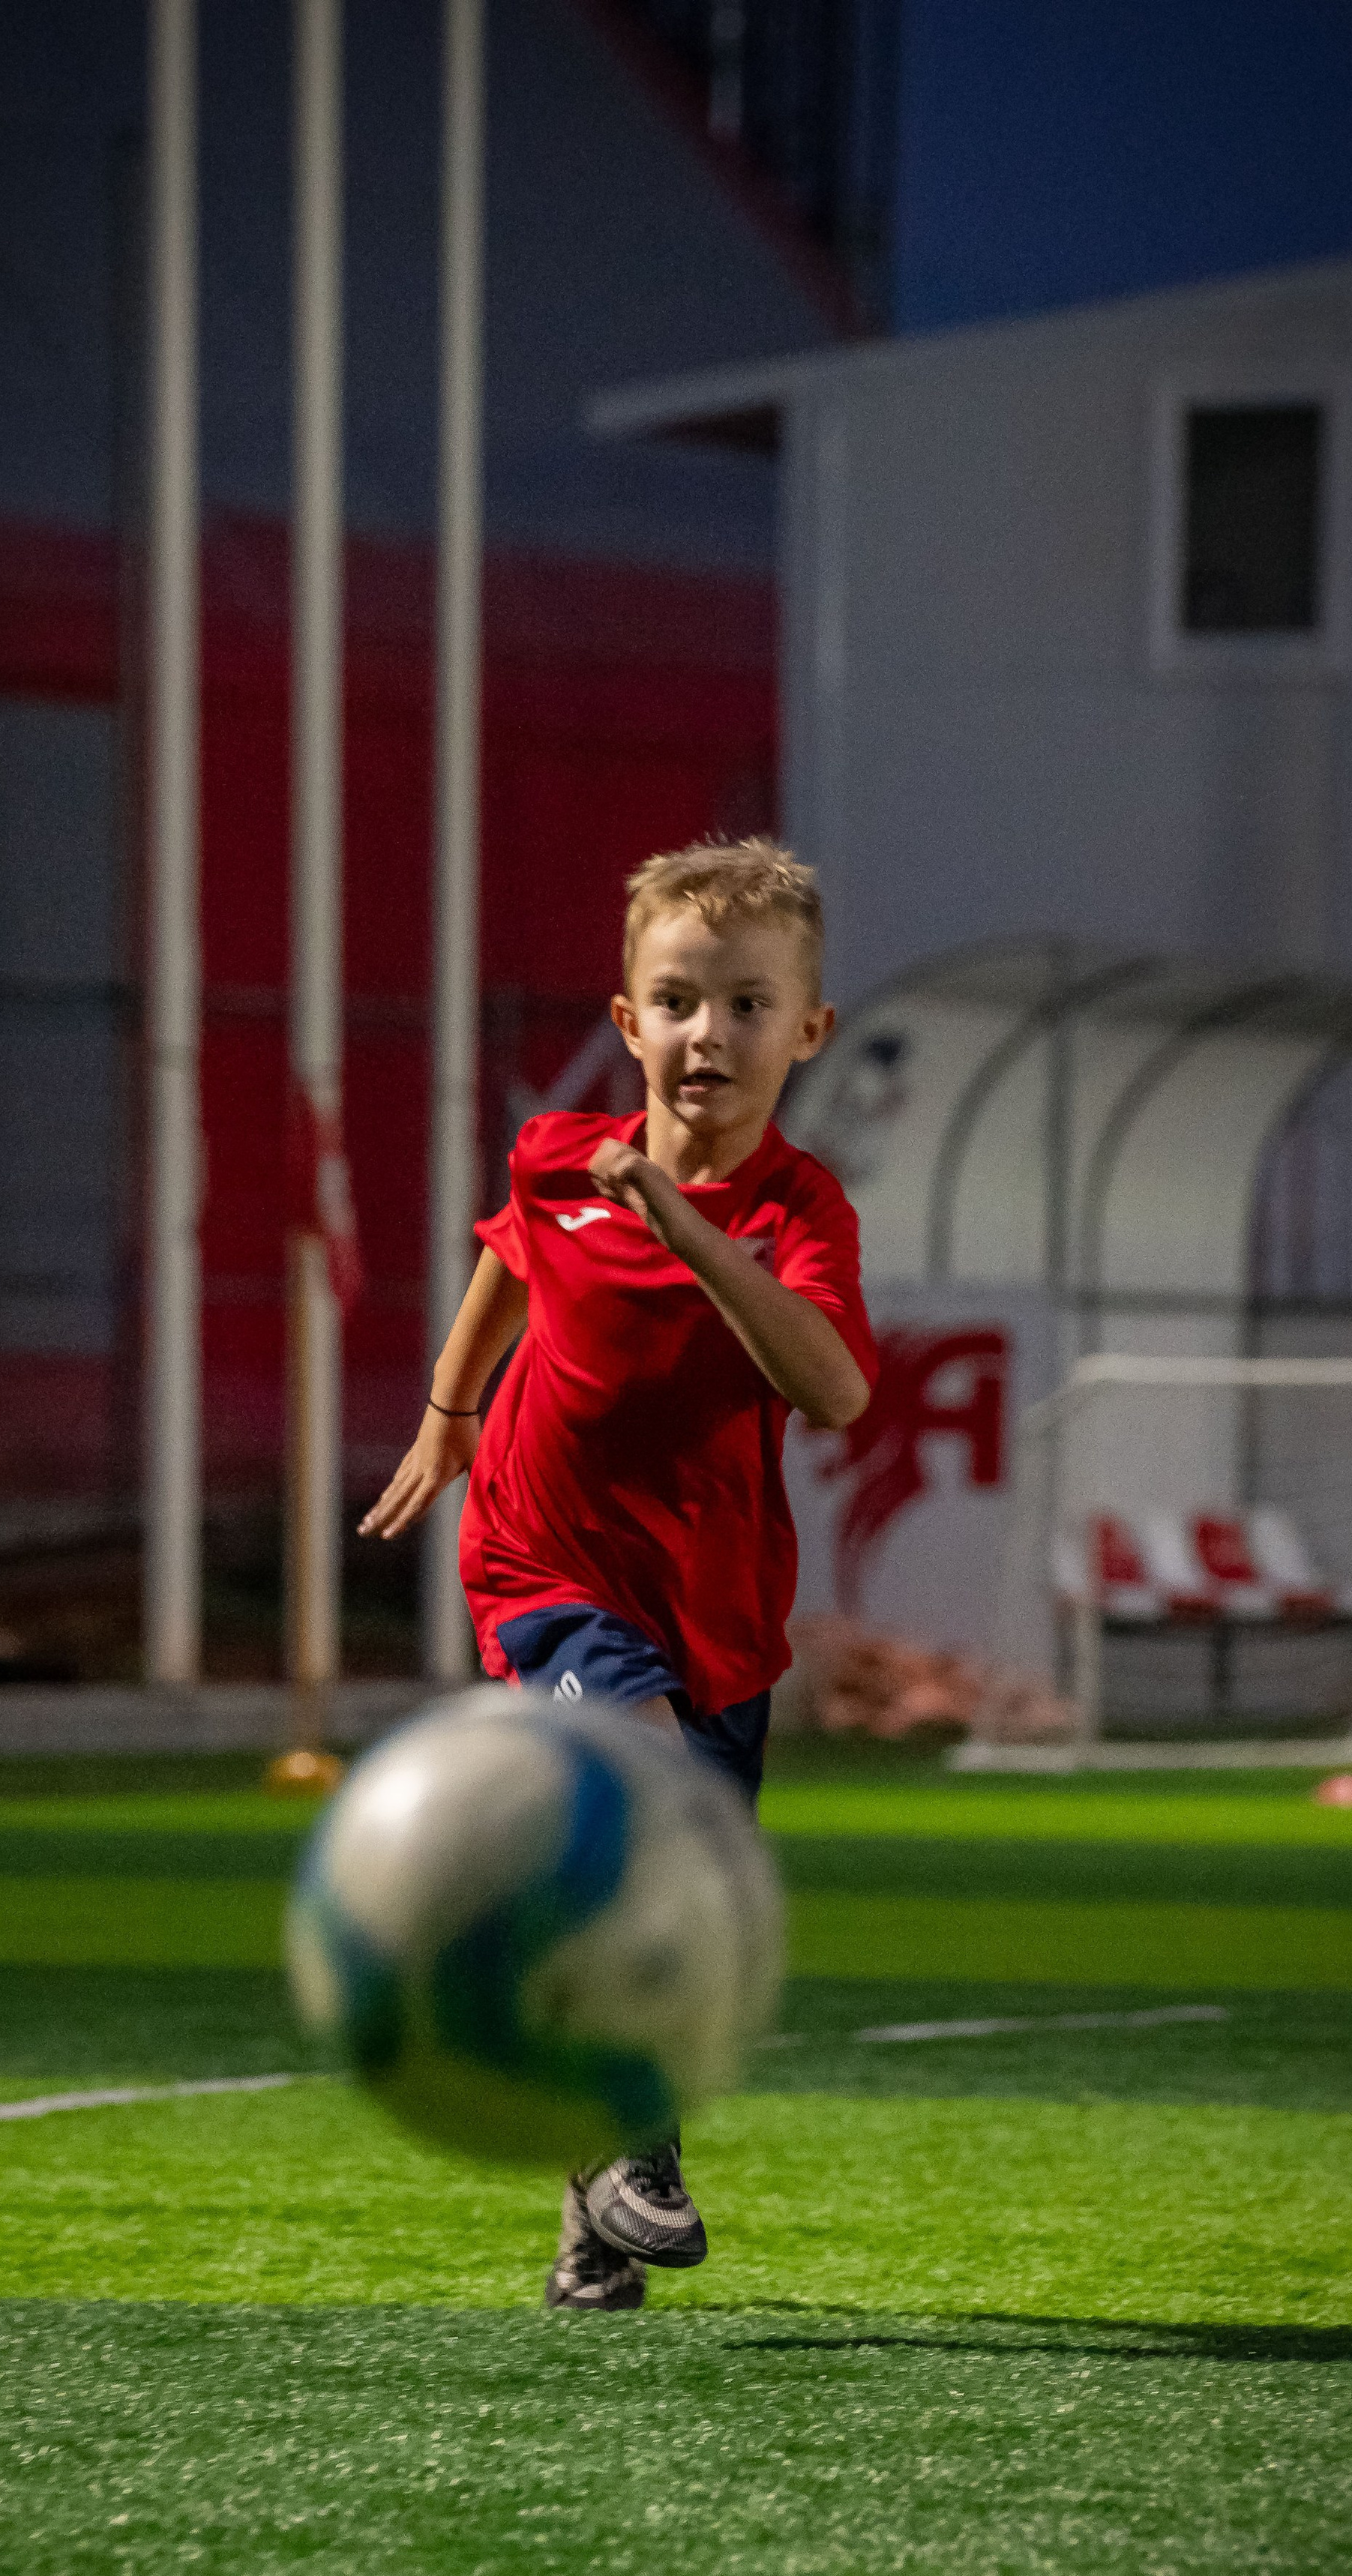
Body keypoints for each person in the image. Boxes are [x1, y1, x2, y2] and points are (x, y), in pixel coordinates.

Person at [358, 836, 875, 2307]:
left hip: (713, 1611)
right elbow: (508, 1263)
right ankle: (633, 2153)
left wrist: (691, 1232)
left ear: (807, 1030)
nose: (708, 1032)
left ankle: (592, 2187)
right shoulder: (555, 1159)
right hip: (542, 1561)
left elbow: (832, 1391)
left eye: (747, 1004)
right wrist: (451, 1417)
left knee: (684, 1914)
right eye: (676, 1000)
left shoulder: (796, 1215)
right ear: (628, 1016)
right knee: (645, 1825)